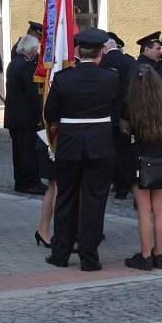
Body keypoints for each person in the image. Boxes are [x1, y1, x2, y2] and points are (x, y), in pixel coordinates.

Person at [44, 28, 119, 271]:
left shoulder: (64, 78)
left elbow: (50, 114)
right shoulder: (111, 78)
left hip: (69, 145)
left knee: (65, 199)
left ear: (77, 51)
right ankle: (89, 257)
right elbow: (118, 111)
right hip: (100, 144)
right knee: (94, 202)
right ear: (100, 53)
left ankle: (60, 254)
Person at [122, 65, 162, 271]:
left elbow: (124, 130)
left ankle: (145, 255)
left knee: (144, 209)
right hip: (160, 157)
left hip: (139, 158)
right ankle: (159, 254)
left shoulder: (130, 104)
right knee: (159, 209)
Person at [4, 35, 44, 195]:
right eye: (35, 50)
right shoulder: (26, 66)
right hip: (25, 118)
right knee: (27, 152)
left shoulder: (13, 63)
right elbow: (32, 93)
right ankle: (28, 182)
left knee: (19, 151)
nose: (36, 53)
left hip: (15, 117)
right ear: (31, 50)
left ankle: (22, 181)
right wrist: (39, 114)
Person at [100, 33, 137, 199]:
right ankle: (123, 186)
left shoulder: (102, 61)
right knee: (123, 151)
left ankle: (110, 181)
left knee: (107, 150)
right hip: (124, 114)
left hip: (105, 113)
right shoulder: (129, 61)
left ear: (106, 48)